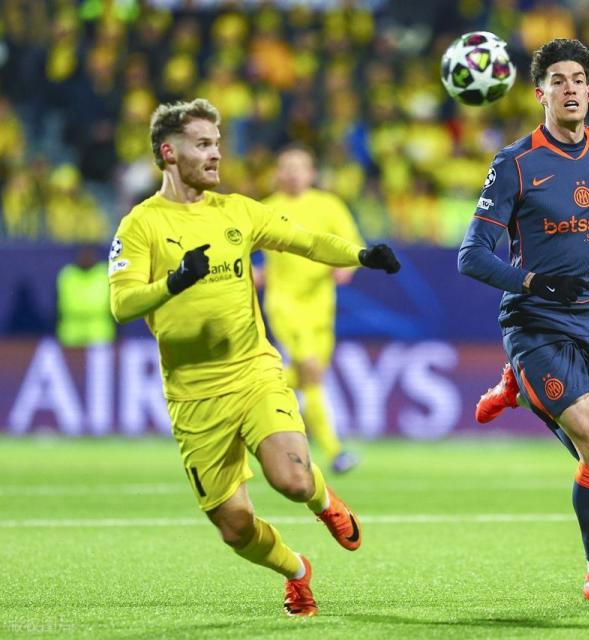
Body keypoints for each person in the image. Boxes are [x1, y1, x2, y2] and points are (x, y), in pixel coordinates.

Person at [107, 99, 400, 616]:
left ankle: (324, 501)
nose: (216, 154)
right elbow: (121, 304)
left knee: (292, 480)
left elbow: (305, 241)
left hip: (253, 372)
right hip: (194, 395)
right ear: (169, 152)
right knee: (234, 527)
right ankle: (297, 570)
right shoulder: (140, 225)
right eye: (203, 144)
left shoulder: (238, 211)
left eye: (217, 143)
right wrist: (174, 282)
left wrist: (360, 255)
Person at [458, 39, 589, 601]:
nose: (571, 88)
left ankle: (519, 387)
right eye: (558, 80)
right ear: (541, 94)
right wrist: (533, 283)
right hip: (537, 327)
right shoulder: (515, 163)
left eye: (578, 79)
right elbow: (471, 255)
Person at [259, 145, 365, 474]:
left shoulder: (328, 205)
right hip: (284, 303)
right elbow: (234, 246)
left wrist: (347, 266)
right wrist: (250, 271)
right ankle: (335, 451)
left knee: (309, 377)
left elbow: (352, 245)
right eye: (286, 167)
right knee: (310, 369)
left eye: (299, 167)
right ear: (277, 173)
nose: (293, 173)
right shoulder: (265, 209)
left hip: (321, 306)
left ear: (311, 173)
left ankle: (250, 393)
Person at [57, 245, 116, 347]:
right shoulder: (67, 275)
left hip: (100, 334)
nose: (86, 258)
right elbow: (56, 308)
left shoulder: (105, 274)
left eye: (89, 255)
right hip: (71, 335)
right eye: (83, 255)